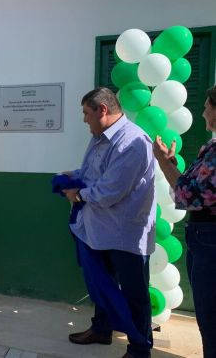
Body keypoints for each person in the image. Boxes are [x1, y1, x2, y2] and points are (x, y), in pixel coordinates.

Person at [62, 88, 155, 358]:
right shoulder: (99, 138)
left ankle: (139, 348)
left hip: (125, 234)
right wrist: (73, 175)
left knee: (135, 294)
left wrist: (77, 193)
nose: (84, 120)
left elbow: (110, 190)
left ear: (102, 110)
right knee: (101, 285)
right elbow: (93, 174)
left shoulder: (132, 141)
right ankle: (101, 330)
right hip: (97, 230)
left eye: (86, 113)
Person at [153, 86, 216, 358]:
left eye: (207, 106)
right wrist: (170, 163)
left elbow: (189, 194)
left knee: (211, 316)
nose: (202, 112)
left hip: (210, 238)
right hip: (203, 236)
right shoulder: (211, 147)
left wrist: (163, 163)